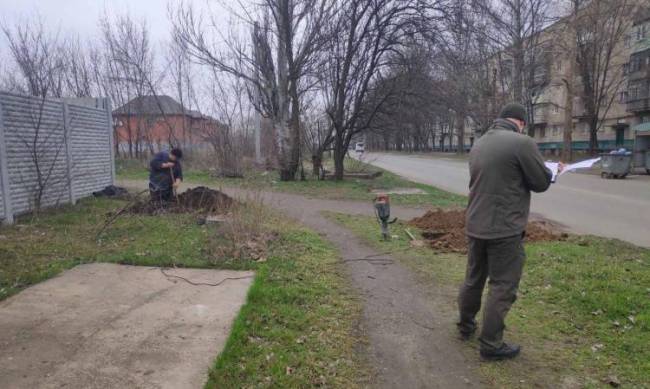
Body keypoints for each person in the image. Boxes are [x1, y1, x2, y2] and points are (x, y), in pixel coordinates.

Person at [457, 103, 561, 361]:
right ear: (521, 123)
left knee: (473, 278)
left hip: (475, 223)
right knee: (502, 285)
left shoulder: (479, 143)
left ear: (501, 119)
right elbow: (539, 183)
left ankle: (466, 326)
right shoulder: (522, 143)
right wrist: (553, 172)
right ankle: (491, 344)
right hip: (503, 228)